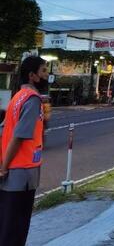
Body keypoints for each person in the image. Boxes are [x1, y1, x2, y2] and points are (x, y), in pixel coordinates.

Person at [0, 55, 48, 246]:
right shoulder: (33, 99)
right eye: (43, 71)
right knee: (16, 229)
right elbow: (19, 136)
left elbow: (4, 131)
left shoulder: (17, 97)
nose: (47, 75)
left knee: (6, 225)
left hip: (12, 173)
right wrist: (4, 166)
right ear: (32, 75)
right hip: (22, 174)